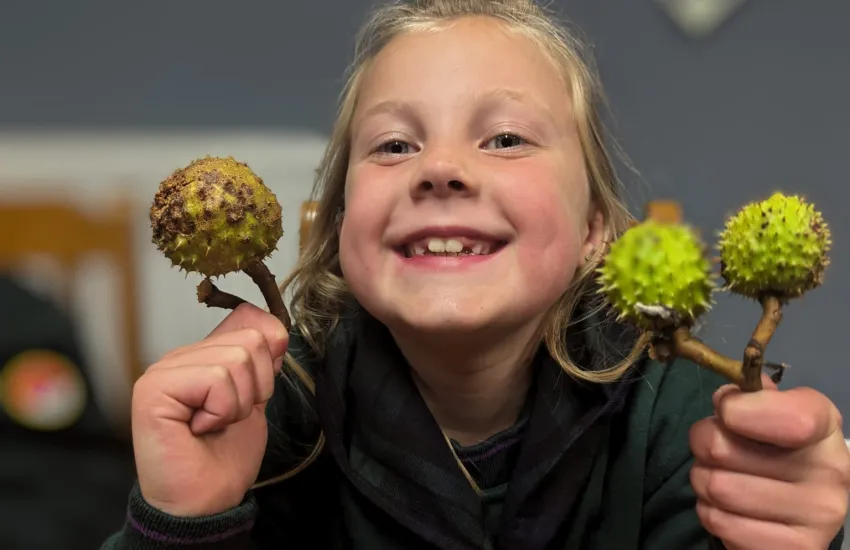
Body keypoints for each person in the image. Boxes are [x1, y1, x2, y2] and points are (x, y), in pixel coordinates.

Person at [101, 0, 850, 548]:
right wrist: (181, 521)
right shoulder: (265, 422)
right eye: (394, 146)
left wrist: (785, 532)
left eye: (505, 138)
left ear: (594, 231)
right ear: (340, 227)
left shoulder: (679, 423)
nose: (441, 168)